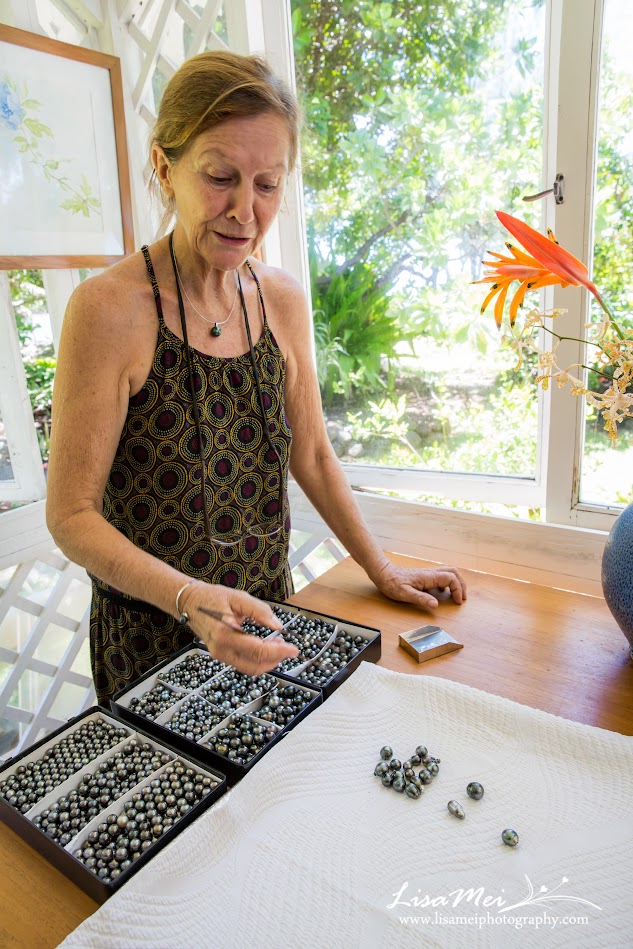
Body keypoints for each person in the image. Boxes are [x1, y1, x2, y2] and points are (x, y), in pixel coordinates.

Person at [46, 51, 467, 706]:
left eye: (267, 185)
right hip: (151, 641)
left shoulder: (282, 299)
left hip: (271, 620)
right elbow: (71, 515)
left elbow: (313, 454)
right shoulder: (105, 309)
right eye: (220, 177)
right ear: (165, 169)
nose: (245, 210)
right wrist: (188, 598)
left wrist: (380, 568)